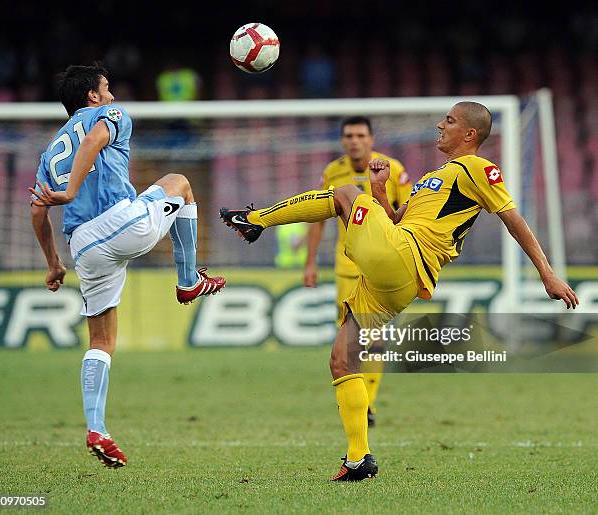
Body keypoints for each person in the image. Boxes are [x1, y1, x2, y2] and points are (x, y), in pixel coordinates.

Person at [220, 101, 579, 481]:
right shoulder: (433, 179)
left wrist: (547, 273)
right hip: (397, 277)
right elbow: (390, 220)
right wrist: (376, 189)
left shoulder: (477, 167)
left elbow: (513, 218)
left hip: (407, 257)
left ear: (470, 134)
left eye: (451, 121)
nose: (440, 125)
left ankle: (255, 219)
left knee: (343, 192)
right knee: (342, 361)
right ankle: (359, 459)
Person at [29, 64, 225, 468]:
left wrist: (53, 264)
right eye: (107, 89)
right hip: (120, 223)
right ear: (93, 97)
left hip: (83, 247)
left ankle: (97, 428)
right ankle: (188, 280)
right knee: (180, 182)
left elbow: (36, 210)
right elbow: (96, 141)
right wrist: (71, 190)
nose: (113, 96)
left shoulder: (49, 154)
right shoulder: (111, 117)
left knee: (100, 342)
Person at [304, 116, 410, 426]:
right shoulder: (333, 172)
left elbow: (409, 211)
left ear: (371, 139)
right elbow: (318, 217)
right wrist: (310, 262)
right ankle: (356, 398)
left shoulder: (394, 170)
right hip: (347, 266)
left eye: (360, 135)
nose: (354, 140)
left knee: (374, 338)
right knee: (350, 339)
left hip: (382, 266)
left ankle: (368, 405)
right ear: (342, 140)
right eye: (349, 135)